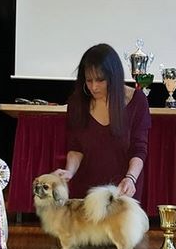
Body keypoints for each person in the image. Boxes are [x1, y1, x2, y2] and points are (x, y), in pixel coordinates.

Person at [53, 43, 151, 201]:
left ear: (114, 76)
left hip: (122, 191)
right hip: (86, 194)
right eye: (89, 80)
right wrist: (69, 172)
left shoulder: (137, 100)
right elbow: (75, 147)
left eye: (100, 80)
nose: (94, 87)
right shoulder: (77, 102)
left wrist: (131, 178)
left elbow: (139, 149)